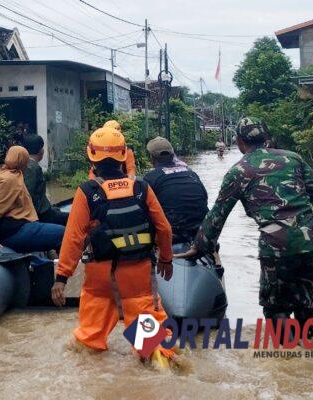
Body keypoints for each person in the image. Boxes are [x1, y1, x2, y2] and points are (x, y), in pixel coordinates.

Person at [177, 117, 313, 341]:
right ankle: (312, 362)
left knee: (277, 308)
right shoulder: (293, 158)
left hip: (276, 246)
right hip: (312, 243)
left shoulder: (239, 171)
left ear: (239, 142)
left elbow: (217, 215)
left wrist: (199, 247)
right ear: (266, 138)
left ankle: (287, 365)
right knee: (309, 304)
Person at [51, 127, 178, 367]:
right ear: (124, 155)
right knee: (151, 343)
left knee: (88, 341)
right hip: (137, 274)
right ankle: (162, 364)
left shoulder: (87, 191)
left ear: (91, 156)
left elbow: (73, 237)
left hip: (100, 276)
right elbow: (164, 229)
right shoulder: (141, 187)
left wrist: (62, 277)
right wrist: (166, 259)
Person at [0, 145, 65, 253]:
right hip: (14, 230)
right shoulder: (9, 179)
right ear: (22, 160)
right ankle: (63, 268)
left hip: (19, 225)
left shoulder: (7, 172)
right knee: (63, 234)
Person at [143, 136, 209, 243]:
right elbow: (204, 200)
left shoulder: (149, 179)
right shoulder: (192, 174)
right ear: (173, 155)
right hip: (202, 233)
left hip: (173, 236)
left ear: (151, 158)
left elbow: (144, 212)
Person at [21, 135, 69, 226]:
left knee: (57, 210)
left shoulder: (24, 164)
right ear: (41, 151)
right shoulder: (33, 168)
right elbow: (28, 194)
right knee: (70, 217)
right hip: (41, 214)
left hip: (41, 211)